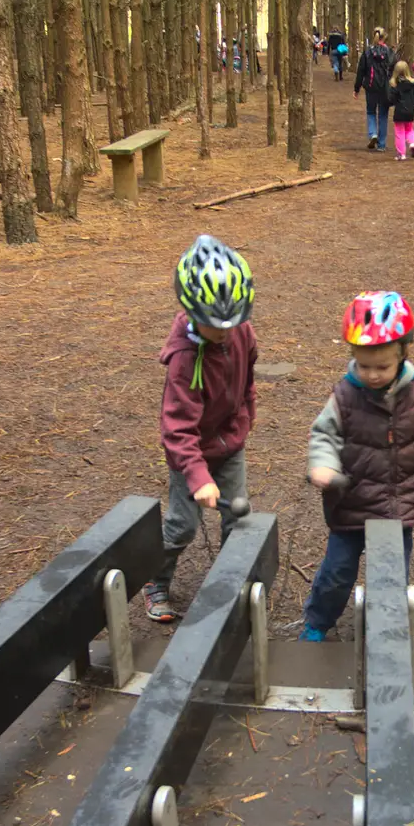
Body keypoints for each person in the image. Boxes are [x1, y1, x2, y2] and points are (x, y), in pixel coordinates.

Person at [299, 291, 414, 641]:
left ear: (402, 354)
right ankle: (318, 622)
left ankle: (386, 632)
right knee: (337, 571)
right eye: (364, 365)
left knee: (391, 575)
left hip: (400, 505)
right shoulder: (344, 396)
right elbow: (324, 434)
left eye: (382, 366)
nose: (372, 375)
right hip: (351, 502)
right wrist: (322, 465)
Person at [143, 235, 257, 623]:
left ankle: (229, 583)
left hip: (230, 445)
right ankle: (155, 579)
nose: (225, 332)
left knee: (238, 520)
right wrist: (197, 476)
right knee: (182, 525)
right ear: (191, 312)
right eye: (214, 325)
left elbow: (248, 381)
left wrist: (243, 421)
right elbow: (176, 429)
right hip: (189, 452)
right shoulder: (184, 360)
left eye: (233, 322)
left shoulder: (241, 332)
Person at [353, 27, 396, 150]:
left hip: (371, 87)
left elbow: (361, 71)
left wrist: (357, 88)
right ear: (385, 37)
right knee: (383, 115)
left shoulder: (367, 52)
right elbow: (395, 70)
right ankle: (381, 144)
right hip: (385, 87)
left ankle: (373, 133)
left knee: (371, 111)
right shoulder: (390, 53)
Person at [387, 60, 414, 160]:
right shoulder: (413, 84)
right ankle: (412, 144)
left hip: (399, 112)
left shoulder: (395, 85)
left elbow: (391, 99)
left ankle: (401, 154)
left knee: (399, 132)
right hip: (410, 111)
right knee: (409, 129)